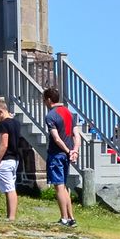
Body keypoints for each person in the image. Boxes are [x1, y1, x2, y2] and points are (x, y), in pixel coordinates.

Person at [42, 86, 78, 228]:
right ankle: (71, 218)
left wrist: (68, 150)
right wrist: (75, 150)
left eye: (44, 100)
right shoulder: (68, 113)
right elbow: (76, 134)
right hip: (66, 155)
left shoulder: (51, 115)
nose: (44, 103)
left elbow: (56, 138)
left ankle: (63, 218)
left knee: (59, 187)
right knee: (64, 187)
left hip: (56, 155)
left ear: (49, 100)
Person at [0, 97, 23, 221]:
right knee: (10, 187)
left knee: (9, 189)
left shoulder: (4, 124)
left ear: (0, 111)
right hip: (15, 159)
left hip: (6, 159)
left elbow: (4, 144)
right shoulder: (16, 123)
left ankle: (11, 217)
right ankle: (9, 215)